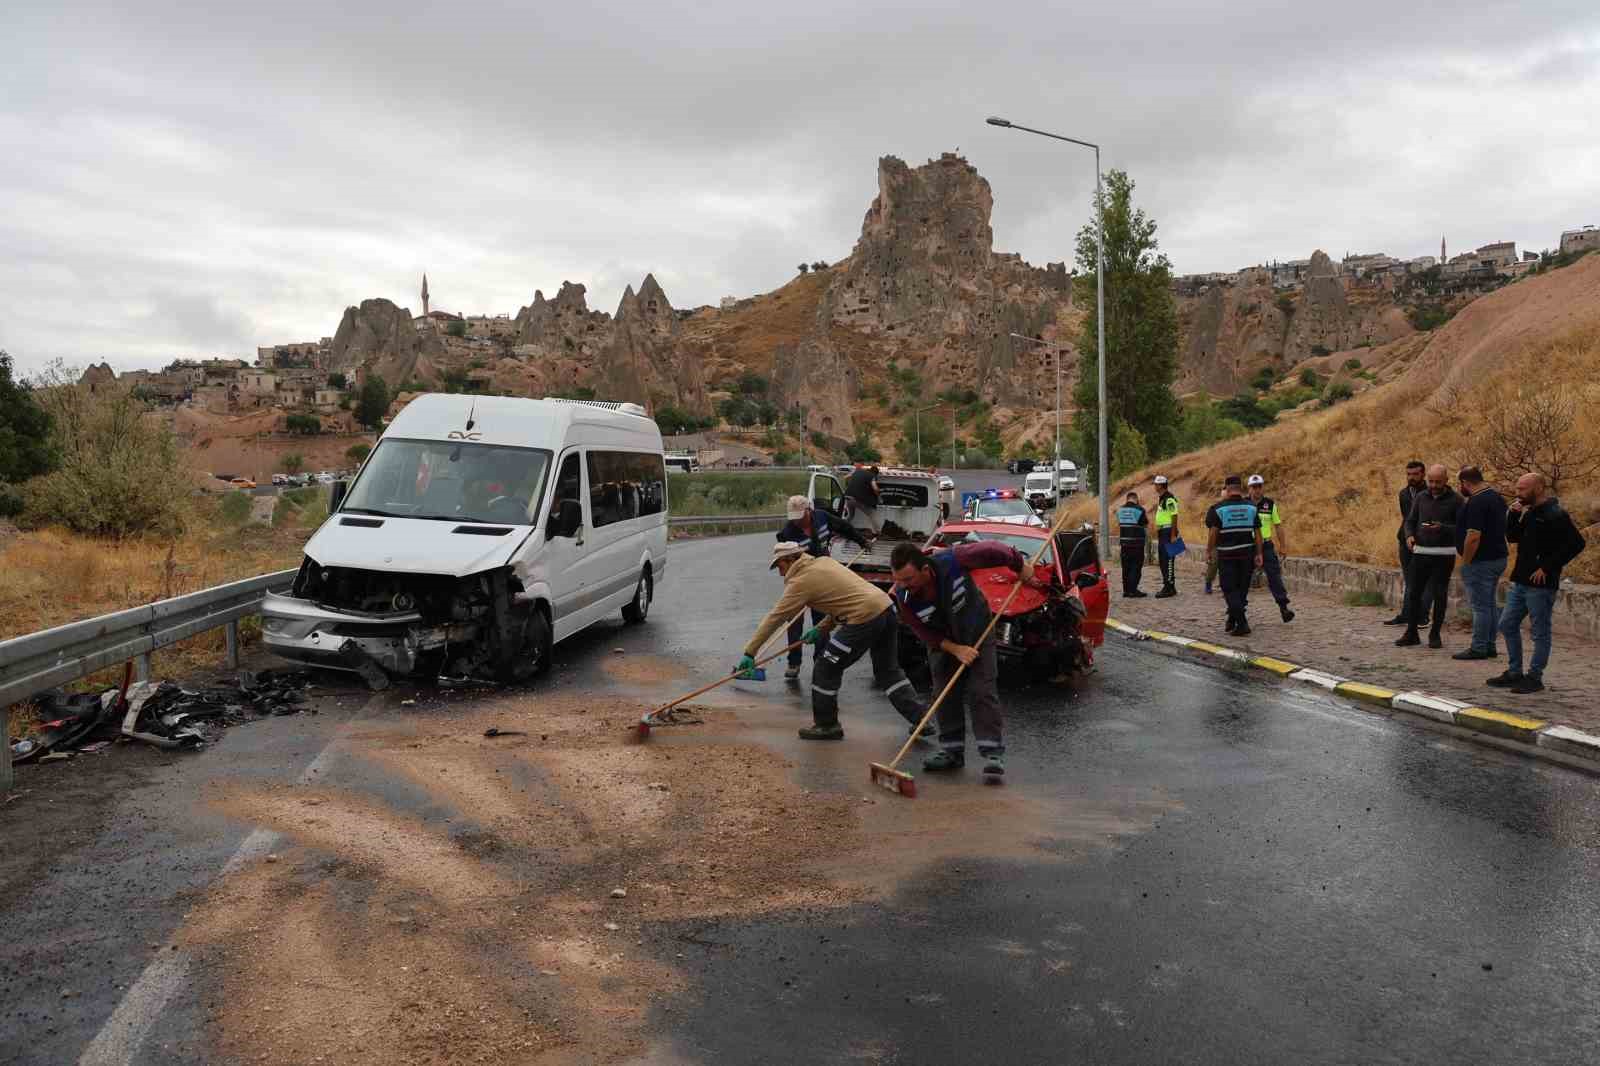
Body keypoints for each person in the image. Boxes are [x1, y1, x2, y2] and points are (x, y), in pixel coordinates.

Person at [739, 541, 927, 740]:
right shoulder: (824, 563)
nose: (780, 573)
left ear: (790, 559)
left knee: (825, 667)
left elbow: (775, 618)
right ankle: (922, 719)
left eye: (780, 566)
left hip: (863, 617)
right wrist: (820, 630)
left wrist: (750, 652)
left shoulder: (800, 581)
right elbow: (845, 600)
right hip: (885, 608)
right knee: (888, 671)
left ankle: (827, 725)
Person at [889, 540, 1045, 779]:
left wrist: (1019, 565)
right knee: (944, 693)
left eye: (908, 579)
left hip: (978, 632)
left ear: (925, 570)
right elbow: (924, 633)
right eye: (898, 579)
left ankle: (992, 753)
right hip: (943, 644)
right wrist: (955, 649)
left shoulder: (954, 560)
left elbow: (994, 550)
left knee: (981, 690)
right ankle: (952, 752)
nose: (902, 585)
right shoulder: (904, 596)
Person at [1488, 473, 1587, 694]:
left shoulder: (1555, 514)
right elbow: (1513, 537)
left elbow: (1577, 543)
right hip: (1520, 580)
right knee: (1506, 624)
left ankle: (1534, 676)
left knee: (1540, 632)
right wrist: (1513, 516)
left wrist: (1548, 567)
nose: (1518, 493)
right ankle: (1515, 672)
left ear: (1538, 488)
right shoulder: (1528, 512)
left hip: (1541, 586)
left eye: (1522, 489)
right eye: (1517, 488)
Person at [776, 494, 869, 681]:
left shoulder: (822, 517)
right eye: (793, 518)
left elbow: (844, 527)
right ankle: (794, 662)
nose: (797, 521)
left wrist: (862, 541)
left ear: (809, 511)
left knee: (821, 623)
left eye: (800, 517)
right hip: (801, 582)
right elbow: (783, 561)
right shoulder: (787, 533)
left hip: (824, 581)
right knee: (794, 623)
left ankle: (820, 661)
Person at [1396, 464, 1461, 649]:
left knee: (1439, 595)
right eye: (1431, 481)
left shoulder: (1456, 500)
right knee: (1414, 593)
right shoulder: (1421, 497)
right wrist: (1409, 535)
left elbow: (1461, 528)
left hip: (1444, 554)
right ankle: (1411, 632)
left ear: (1446, 481)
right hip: (1421, 552)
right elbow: (1410, 520)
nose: (1433, 485)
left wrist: (1443, 528)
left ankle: (1435, 633)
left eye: (1437, 482)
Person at [1451, 467, 1508, 661]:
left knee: (1480, 607)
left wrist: (1466, 561)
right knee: (1489, 604)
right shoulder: (1496, 498)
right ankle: (1489, 645)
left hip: (1481, 560)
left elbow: (1473, 536)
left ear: (1466, 483)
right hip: (1498, 557)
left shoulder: (1477, 502)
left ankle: (1479, 647)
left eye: (1461, 484)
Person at [1204, 476, 1264, 635]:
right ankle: (1232, 619)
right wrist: (1259, 553)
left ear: (1227, 489)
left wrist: (1209, 551)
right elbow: (1258, 533)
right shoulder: (1251, 507)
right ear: (1241, 488)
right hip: (1247, 554)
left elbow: (1213, 533)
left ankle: (1242, 623)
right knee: (1241, 589)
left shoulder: (1219, 509)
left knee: (1229, 589)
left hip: (1227, 556)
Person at [1385, 461, 1428, 625]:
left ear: (1423, 474)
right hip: (1405, 540)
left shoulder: (1429, 492)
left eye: (1415, 474)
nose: (1411, 477)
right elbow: (1407, 518)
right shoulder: (1403, 493)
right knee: (1409, 580)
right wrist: (1406, 536)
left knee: (1422, 581)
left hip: (1424, 542)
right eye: (1408, 474)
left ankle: (1422, 616)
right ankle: (1406, 614)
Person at [1247, 474, 1294, 622]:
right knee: (1241, 579)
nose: (1257, 490)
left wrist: (1283, 546)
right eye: (1254, 487)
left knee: (1275, 576)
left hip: (1266, 545)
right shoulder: (1243, 504)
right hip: (1247, 545)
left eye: (1259, 486)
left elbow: (1278, 526)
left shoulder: (1270, 504)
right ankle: (1236, 612)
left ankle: (1284, 607)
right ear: (1249, 488)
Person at [1115, 490, 1149, 597]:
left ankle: (1126, 590)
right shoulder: (1139, 510)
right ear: (1136, 499)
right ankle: (1133, 590)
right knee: (1136, 567)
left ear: (1127, 499)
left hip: (1124, 544)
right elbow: (1145, 524)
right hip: (1137, 544)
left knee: (1126, 568)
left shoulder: (1120, 510)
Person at [1153, 475, 1181, 597]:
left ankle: (1168, 588)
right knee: (1163, 561)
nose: (1154, 486)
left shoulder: (1169, 499)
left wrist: (1173, 534)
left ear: (1160, 485)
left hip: (1168, 532)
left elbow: (1174, 515)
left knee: (1168, 561)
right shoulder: (1162, 498)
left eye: (1155, 484)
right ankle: (1170, 586)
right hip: (1163, 532)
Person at [844, 464, 883, 534]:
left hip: (848, 497)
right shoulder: (872, 476)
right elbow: (875, 488)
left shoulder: (857, 471)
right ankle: (878, 532)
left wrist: (848, 486)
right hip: (857, 499)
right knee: (872, 514)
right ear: (875, 473)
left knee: (850, 515)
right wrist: (879, 497)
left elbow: (845, 477)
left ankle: (841, 527)